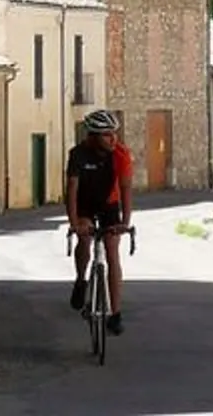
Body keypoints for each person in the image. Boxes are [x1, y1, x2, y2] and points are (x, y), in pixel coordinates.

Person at [66, 109, 133, 335]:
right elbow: (72, 191)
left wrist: (125, 221)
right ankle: (80, 280)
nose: (113, 138)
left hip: (108, 205)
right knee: (84, 241)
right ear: (93, 136)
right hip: (85, 203)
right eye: (106, 135)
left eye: (114, 133)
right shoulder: (78, 155)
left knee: (112, 252)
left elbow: (125, 189)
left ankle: (115, 314)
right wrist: (75, 223)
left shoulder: (120, 154)